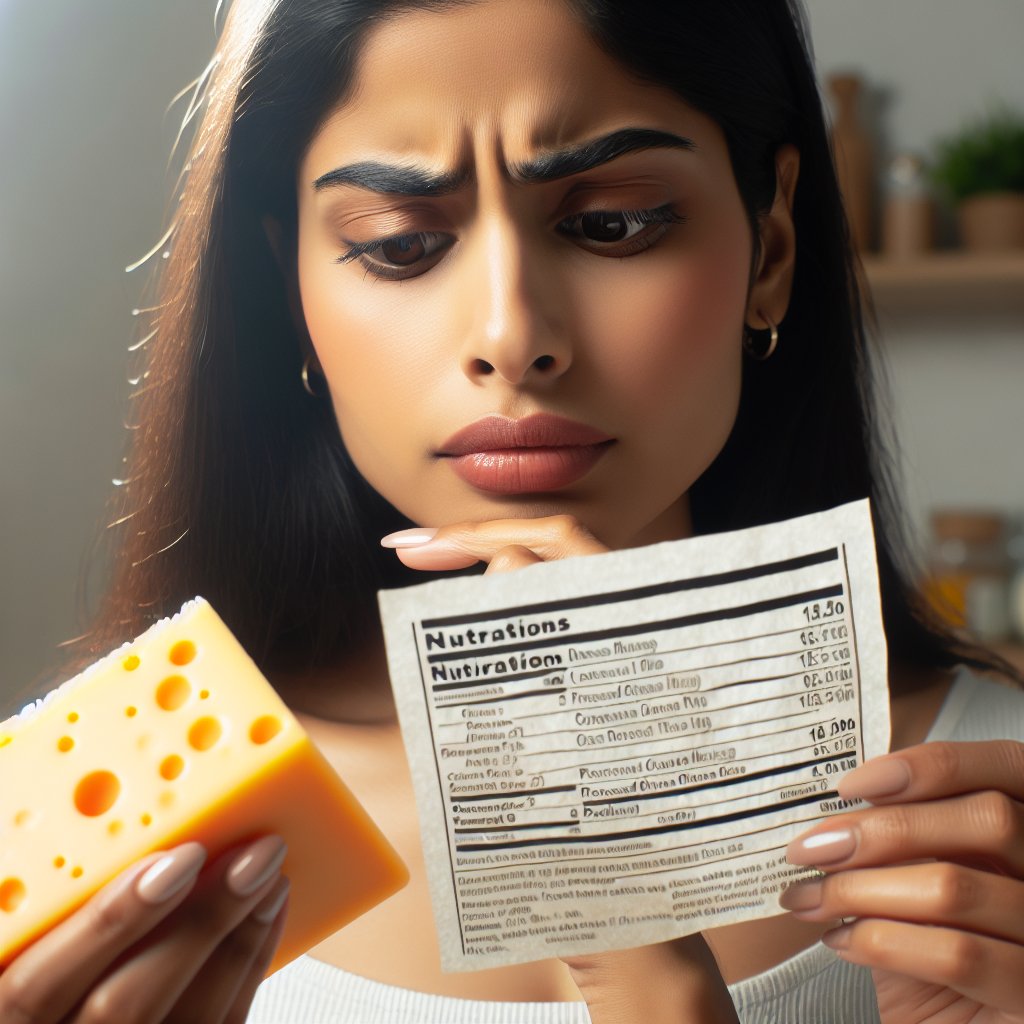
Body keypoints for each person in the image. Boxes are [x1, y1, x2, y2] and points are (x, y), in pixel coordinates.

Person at [2, 1, 1023, 1021]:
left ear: (770, 249)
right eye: (400, 244)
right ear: (289, 292)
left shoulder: (992, 811)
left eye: (611, 224)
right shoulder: (71, 834)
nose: (510, 334)